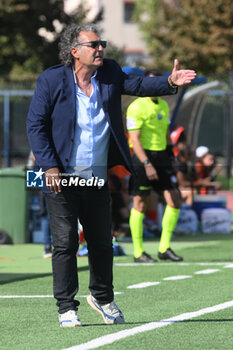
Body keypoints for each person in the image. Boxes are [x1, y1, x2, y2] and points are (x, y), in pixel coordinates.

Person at [27, 23, 196, 327]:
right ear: (74, 51)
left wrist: (169, 82)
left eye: (101, 43)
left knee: (102, 243)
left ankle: (103, 298)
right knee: (65, 243)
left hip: (95, 176)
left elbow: (139, 86)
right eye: (94, 45)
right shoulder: (51, 79)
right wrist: (49, 165)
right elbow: (36, 125)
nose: (101, 48)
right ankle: (66, 307)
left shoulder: (110, 72)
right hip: (60, 177)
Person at [127, 69, 185, 264]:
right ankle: (138, 252)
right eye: (149, 83)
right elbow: (134, 139)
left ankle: (164, 248)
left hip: (162, 158)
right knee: (140, 203)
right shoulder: (136, 107)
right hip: (143, 157)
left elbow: (167, 133)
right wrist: (146, 163)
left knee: (174, 199)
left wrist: (172, 156)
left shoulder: (163, 106)